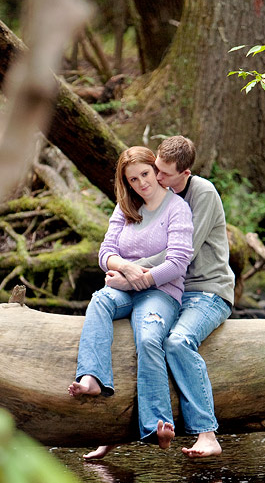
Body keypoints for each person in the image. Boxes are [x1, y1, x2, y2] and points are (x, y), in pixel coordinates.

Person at [85, 136, 235, 460]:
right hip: (169, 290)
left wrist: (128, 275)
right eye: (155, 170)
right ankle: (117, 430)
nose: (156, 179)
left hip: (206, 291)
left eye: (163, 174)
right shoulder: (145, 199)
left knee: (177, 342)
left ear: (185, 173)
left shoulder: (200, 195)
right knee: (137, 339)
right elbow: (114, 247)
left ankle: (207, 432)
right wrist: (125, 272)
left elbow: (179, 254)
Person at [68, 146, 193, 449]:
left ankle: (159, 425)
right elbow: (105, 253)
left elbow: (177, 263)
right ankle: (92, 378)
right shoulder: (125, 208)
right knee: (99, 300)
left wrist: (133, 281)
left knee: (149, 338)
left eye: (145, 174)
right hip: (123, 288)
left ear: (155, 170)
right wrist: (122, 267)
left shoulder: (177, 209)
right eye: (133, 179)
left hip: (161, 292)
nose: (141, 184)